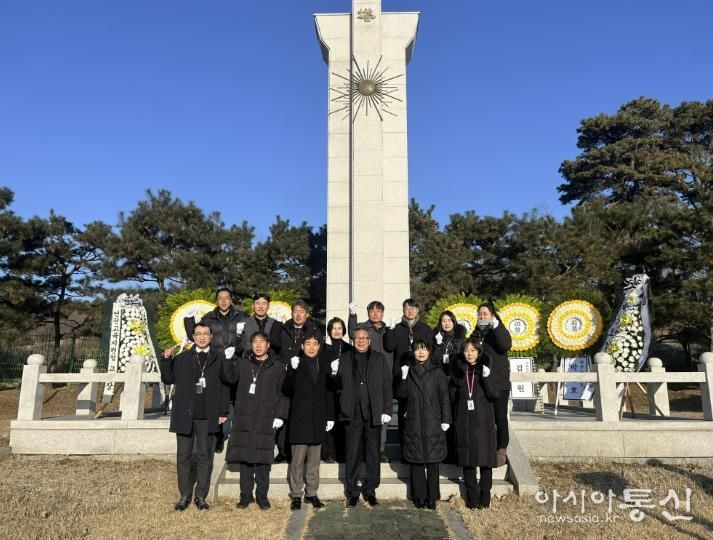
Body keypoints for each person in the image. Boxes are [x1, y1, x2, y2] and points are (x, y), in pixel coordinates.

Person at [160, 322, 229, 511]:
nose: (202, 337)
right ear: (193, 336)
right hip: (185, 413)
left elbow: (224, 386)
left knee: (205, 456)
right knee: (183, 455)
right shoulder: (182, 358)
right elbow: (168, 378)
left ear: (211, 336)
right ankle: (184, 494)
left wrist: (223, 411)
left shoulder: (218, 358)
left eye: (205, 333)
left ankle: (200, 496)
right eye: (198, 333)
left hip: (208, 414)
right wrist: (166, 360)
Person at [221, 331, 288, 510]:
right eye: (255, 342)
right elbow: (229, 378)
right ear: (251, 345)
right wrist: (227, 360)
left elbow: (283, 394)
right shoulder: (243, 364)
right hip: (244, 417)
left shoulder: (277, 367)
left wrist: (280, 415)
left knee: (263, 459)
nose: (258, 345)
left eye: (262, 342)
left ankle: (262, 496)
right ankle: (245, 495)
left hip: (266, 417)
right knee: (245, 459)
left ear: (268, 345)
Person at [330, 325, 392, 507]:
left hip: (373, 411)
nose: (361, 341)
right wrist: (333, 373)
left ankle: (370, 490)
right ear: (353, 340)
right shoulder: (344, 358)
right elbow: (335, 386)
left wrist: (387, 410)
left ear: (369, 340)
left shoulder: (379, 359)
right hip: (352, 412)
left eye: (364, 338)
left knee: (373, 453)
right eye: (358, 338)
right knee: (352, 453)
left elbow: (386, 385)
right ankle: (352, 491)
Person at [184, 287, 248, 452]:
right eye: (220, 298)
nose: (224, 301)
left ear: (231, 299)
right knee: (218, 401)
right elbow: (195, 336)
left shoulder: (242, 317)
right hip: (216, 364)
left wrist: (238, 349)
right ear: (216, 300)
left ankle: (238, 435)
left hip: (237, 364)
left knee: (239, 401)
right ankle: (218, 435)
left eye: (227, 298)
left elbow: (250, 339)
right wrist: (189, 320)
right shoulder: (209, 318)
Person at [283, 331, 334, 510]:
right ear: (302, 346)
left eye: (315, 344)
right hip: (300, 418)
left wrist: (330, 416)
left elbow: (330, 391)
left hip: (317, 418)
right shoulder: (296, 363)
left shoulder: (323, 364)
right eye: (308, 344)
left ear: (319, 347)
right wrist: (292, 371)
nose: (311, 347)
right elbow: (286, 389)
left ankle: (312, 493)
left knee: (314, 460)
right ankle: (296, 494)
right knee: (297, 461)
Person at [397, 340, 451, 510]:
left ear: (429, 352)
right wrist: (403, 378)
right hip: (414, 419)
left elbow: (444, 398)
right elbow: (401, 395)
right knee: (417, 460)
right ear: (412, 352)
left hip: (432, 420)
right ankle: (419, 496)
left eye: (424, 349)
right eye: (417, 349)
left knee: (433, 460)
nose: (421, 352)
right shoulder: (408, 370)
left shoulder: (437, 372)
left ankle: (432, 497)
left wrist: (446, 419)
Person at [450, 338, 498, 509]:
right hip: (464, 420)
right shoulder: (458, 372)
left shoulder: (486, 369)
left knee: (485, 461)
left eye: (473, 350)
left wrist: (486, 378)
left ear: (479, 352)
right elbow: (452, 398)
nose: (469, 354)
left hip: (483, 421)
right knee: (468, 460)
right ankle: (472, 498)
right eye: (466, 350)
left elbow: (494, 395)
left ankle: (485, 497)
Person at [275, 300, 324, 461]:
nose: (298, 314)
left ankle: (301, 454)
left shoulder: (314, 329)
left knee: (299, 414)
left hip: (303, 375)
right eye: (295, 311)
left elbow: (316, 351)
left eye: (301, 311)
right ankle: (283, 452)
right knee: (283, 412)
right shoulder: (284, 328)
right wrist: (277, 324)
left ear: (307, 314)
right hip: (284, 374)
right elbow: (274, 344)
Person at [384, 298, 434, 446]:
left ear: (418, 310)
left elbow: (430, 352)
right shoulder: (397, 328)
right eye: (407, 308)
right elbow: (389, 346)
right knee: (403, 411)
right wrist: (390, 330)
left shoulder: (425, 329)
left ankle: (420, 444)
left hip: (421, 375)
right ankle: (403, 445)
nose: (410, 311)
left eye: (413, 308)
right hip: (402, 374)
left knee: (421, 410)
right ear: (403, 310)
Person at [348, 300, 393, 462]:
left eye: (378, 311)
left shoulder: (388, 329)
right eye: (372, 311)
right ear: (368, 312)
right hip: (366, 376)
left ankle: (380, 450)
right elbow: (352, 332)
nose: (375, 314)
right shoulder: (363, 327)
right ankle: (363, 451)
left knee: (383, 416)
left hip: (385, 375)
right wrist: (352, 315)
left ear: (382, 313)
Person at [472, 302, 512, 468]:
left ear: (493, 315)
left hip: (498, 383)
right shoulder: (477, 332)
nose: (482, 317)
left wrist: (497, 328)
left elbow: (505, 345)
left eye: (485, 314)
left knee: (500, 416)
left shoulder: (499, 330)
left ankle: (501, 449)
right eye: (480, 314)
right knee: (483, 417)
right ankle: (485, 447)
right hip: (481, 382)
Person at [322, 317, 352, 463]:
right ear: (329, 330)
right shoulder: (323, 347)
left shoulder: (348, 348)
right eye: (334, 328)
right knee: (329, 420)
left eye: (339, 328)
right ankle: (329, 453)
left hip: (344, 389)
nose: (337, 331)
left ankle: (342, 452)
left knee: (342, 422)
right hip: (327, 389)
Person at [431, 310, 466, 377]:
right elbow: (434, 359)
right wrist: (438, 345)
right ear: (440, 323)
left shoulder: (461, 337)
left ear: (453, 322)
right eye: (444, 321)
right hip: (439, 374)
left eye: (449, 320)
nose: (447, 324)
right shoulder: (435, 337)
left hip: (456, 373)